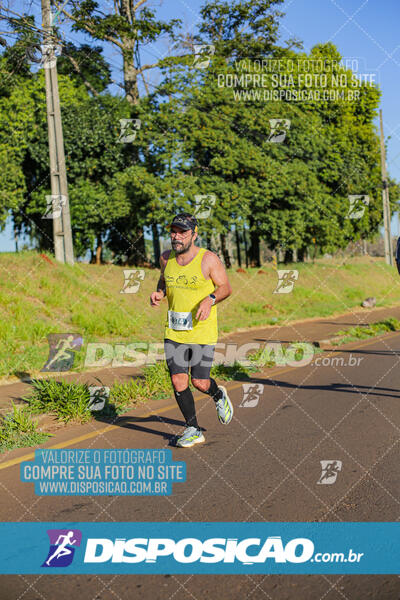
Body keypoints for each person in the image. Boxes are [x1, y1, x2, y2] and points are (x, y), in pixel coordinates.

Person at [150, 213, 233, 447]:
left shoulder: (208, 259)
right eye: (173, 232)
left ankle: (218, 395)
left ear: (194, 235)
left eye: (182, 232)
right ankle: (193, 428)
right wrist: (160, 293)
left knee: (200, 382)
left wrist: (210, 299)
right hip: (174, 331)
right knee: (178, 380)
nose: (176, 236)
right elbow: (164, 280)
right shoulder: (166, 258)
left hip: (201, 331)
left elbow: (225, 287)